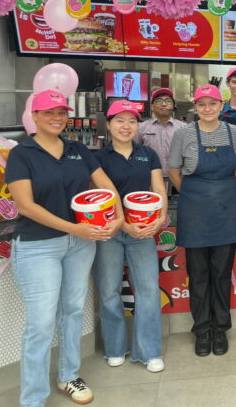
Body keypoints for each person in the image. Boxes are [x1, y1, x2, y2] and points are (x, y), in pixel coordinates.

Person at [5, 90, 123, 407]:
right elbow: (26, 206)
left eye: (61, 112)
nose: (57, 118)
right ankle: (33, 398)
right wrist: (73, 228)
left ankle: (68, 375)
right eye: (49, 112)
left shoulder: (77, 149)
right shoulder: (22, 154)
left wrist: (118, 216)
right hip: (38, 246)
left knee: (72, 310)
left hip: (80, 244)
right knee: (41, 323)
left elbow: (106, 185)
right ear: (34, 116)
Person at [168, 84, 236, 357]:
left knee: (222, 273)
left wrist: (219, 189)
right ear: (195, 107)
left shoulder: (233, 132)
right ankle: (202, 329)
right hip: (194, 211)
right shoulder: (183, 134)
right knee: (198, 274)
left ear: (221, 105)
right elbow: (174, 169)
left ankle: (220, 328)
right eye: (202, 104)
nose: (207, 108)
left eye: (212, 103)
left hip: (226, 207)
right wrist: (194, 193)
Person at [93, 100, 167, 372]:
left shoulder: (148, 154)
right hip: (109, 233)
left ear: (138, 125)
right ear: (109, 124)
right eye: (120, 120)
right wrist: (123, 225)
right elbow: (100, 197)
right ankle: (115, 348)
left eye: (132, 121)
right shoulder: (97, 158)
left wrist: (159, 218)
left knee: (148, 290)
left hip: (143, 231)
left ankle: (149, 351)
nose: (126, 126)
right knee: (109, 291)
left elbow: (159, 189)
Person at [135, 88, 187, 177]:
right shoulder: (141, 128)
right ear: (152, 106)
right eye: (159, 101)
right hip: (149, 177)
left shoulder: (184, 128)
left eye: (168, 101)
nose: (164, 104)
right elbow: (134, 153)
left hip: (177, 178)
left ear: (173, 106)